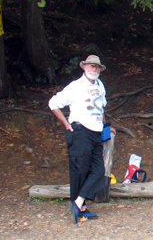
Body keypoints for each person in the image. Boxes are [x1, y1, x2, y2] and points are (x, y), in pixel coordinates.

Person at [49, 55, 116, 224]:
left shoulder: (100, 85)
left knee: (98, 170)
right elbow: (53, 103)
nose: (94, 70)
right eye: (91, 66)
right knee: (80, 169)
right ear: (84, 67)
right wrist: (66, 123)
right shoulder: (76, 86)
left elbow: (101, 108)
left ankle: (78, 203)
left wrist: (106, 126)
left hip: (95, 132)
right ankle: (81, 207)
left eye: (97, 67)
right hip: (80, 131)